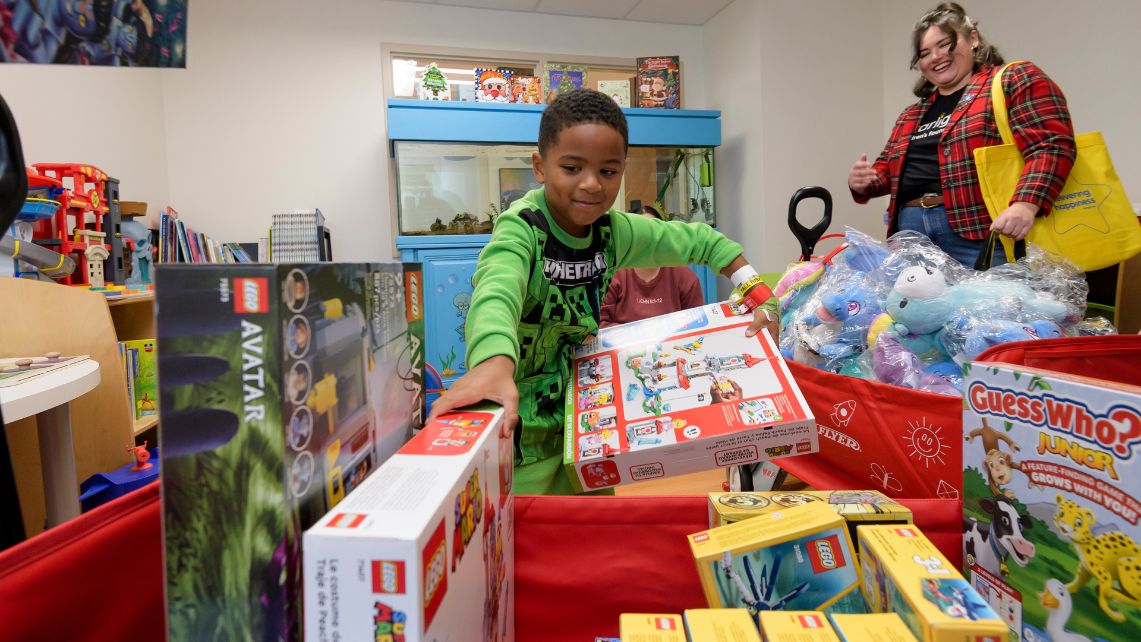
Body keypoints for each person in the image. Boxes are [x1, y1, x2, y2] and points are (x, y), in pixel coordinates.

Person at [426, 89, 779, 495]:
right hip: (516, 426)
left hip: (585, 427)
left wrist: (757, 293)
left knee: (594, 531)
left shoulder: (613, 231)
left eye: (608, 172)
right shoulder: (522, 227)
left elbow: (704, 241)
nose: (591, 185)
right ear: (540, 167)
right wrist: (493, 361)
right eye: (572, 168)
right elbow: (496, 292)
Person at [847, 2, 1075, 267]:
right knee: (916, 310)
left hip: (980, 230)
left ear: (973, 39)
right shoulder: (911, 114)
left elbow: (1052, 145)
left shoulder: (1013, 79)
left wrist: (1026, 204)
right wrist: (863, 182)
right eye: (925, 52)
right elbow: (887, 171)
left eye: (944, 44)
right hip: (910, 234)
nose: (936, 57)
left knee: (992, 308)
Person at [599, 204, 705, 327]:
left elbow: (698, 322)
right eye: (642, 233)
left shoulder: (684, 277)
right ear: (630, 238)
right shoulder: (614, 275)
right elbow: (600, 323)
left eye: (653, 233)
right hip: (625, 345)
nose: (648, 241)